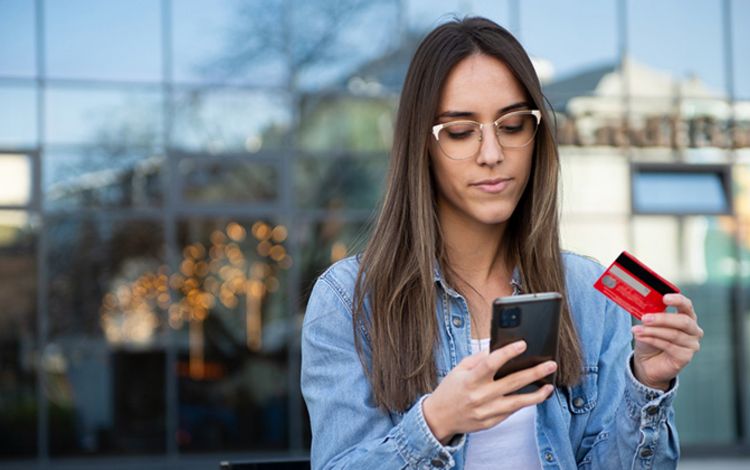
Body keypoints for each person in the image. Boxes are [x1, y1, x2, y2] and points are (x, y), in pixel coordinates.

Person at [300, 16, 703, 470]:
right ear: (421, 145)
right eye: (459, 131)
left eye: (512, 126)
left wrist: (646, 385)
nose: (492, 154)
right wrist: (436, 421)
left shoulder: (588, 291)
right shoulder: (348, 300)